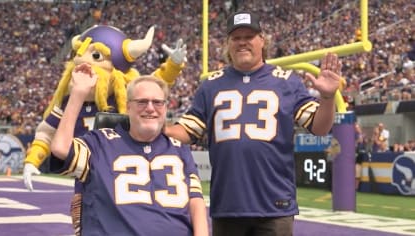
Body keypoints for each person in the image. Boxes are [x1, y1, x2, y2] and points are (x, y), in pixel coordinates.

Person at [165, 10, 341, 235]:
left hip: (274, 205)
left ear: (262, 40)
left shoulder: (287, 82)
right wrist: (161, 127)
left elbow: (320, 127)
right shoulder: (210, 86)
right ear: (228, 44)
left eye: (249, 37)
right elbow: (188, 131)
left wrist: (327, 98)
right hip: (228, 205)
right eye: (236, 38)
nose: (242, 43)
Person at [22, 25, 187, 236]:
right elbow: (46, 132)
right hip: (85, 174)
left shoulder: (124, 98)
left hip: (122, 174)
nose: (83, 64)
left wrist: (172, 65)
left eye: (96, 56)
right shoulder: (68, 101)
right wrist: (32, 160)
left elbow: (153, 85)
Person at [50, 69, 209, 236]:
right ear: (128, 107)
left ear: (165, 107)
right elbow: (61, 148)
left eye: (157, 102)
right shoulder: (100, 144)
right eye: (142, 102)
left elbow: (196, 202)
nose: (150, 108)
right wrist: (78, 93)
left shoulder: (179, 149)